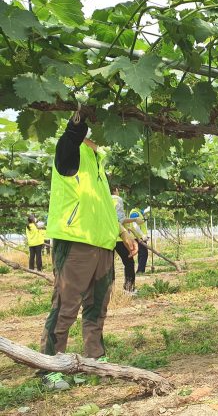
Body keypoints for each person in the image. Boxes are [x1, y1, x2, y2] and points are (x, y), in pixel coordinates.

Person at [40, 112, 137, 390]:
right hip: (76, 241)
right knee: (66, 306)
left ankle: (96, 360)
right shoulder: (70, 154)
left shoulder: (98, 163)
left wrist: (122, 233)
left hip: (103, 244)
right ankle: (50, 366)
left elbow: (105, 206)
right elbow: (71, 137)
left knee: (97, 309)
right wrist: (78, 119)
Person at [111, 187, 140, 294]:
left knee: (109, 265)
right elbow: (120, 219)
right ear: (114, 190)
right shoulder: (117, 199)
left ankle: (109, 292)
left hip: (108, 237)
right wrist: (135, 220)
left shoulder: (102, 198)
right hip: (120, 237)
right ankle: (128, 289)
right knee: (128, 262)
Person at [129, 207, 151, 274]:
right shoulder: (134, 213)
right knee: (143, 254)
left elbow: (145, 210)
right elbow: (134, 225)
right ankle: (140, 271)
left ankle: (140, 270)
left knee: (141, 253)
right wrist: (142, 235)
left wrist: (151, 204)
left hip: (139, 236)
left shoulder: (138, 211)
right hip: (138, 237)